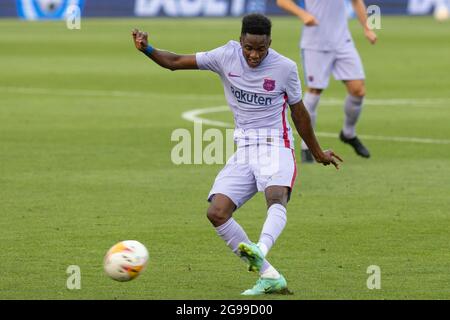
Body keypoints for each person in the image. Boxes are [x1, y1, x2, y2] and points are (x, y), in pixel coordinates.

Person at [132, 14, 342, 295]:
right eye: (249, 48)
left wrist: (316, 152)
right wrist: (147, 48)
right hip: (244, 148)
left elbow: (299, 113)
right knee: (216, 213)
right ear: (241, 40)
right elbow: (175, 62)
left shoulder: (285, 68)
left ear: (270, 43)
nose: (255, 55)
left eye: (261, 49)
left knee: (276, 196)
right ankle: (269, 275)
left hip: (275, 145)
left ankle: (260, 248)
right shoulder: (224, 55)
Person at [277, 0, 377, 162]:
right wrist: (303, 14)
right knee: (315, 90)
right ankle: (306, 147)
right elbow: (282, 1)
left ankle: (348, 133)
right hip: (315, 44)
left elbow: (356, 2)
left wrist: (367, 28)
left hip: (343, 42)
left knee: (358, 90)